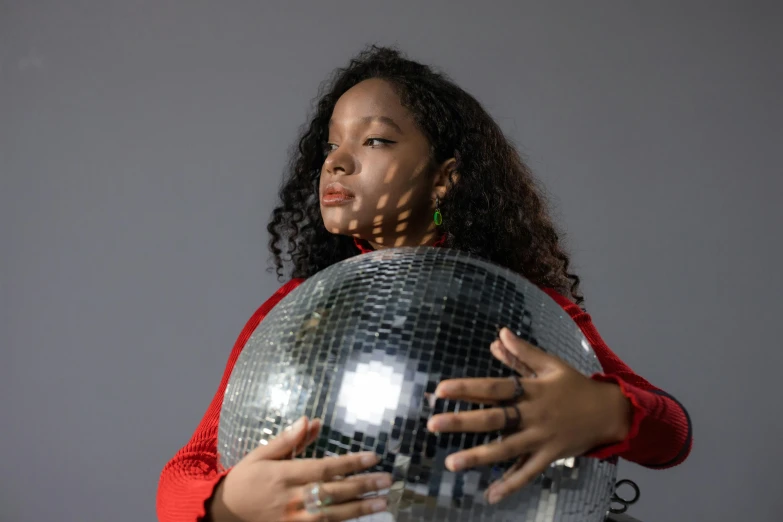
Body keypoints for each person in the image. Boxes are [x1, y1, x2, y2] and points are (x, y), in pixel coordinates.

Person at [156, 45, 692, 522]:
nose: (336, 164)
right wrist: (227, 504)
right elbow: (182, 477)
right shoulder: (297, 310)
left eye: (374, 140)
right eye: (330, 145)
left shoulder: (517, 304)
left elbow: (672, 432)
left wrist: (606, 412)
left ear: (444, 177)